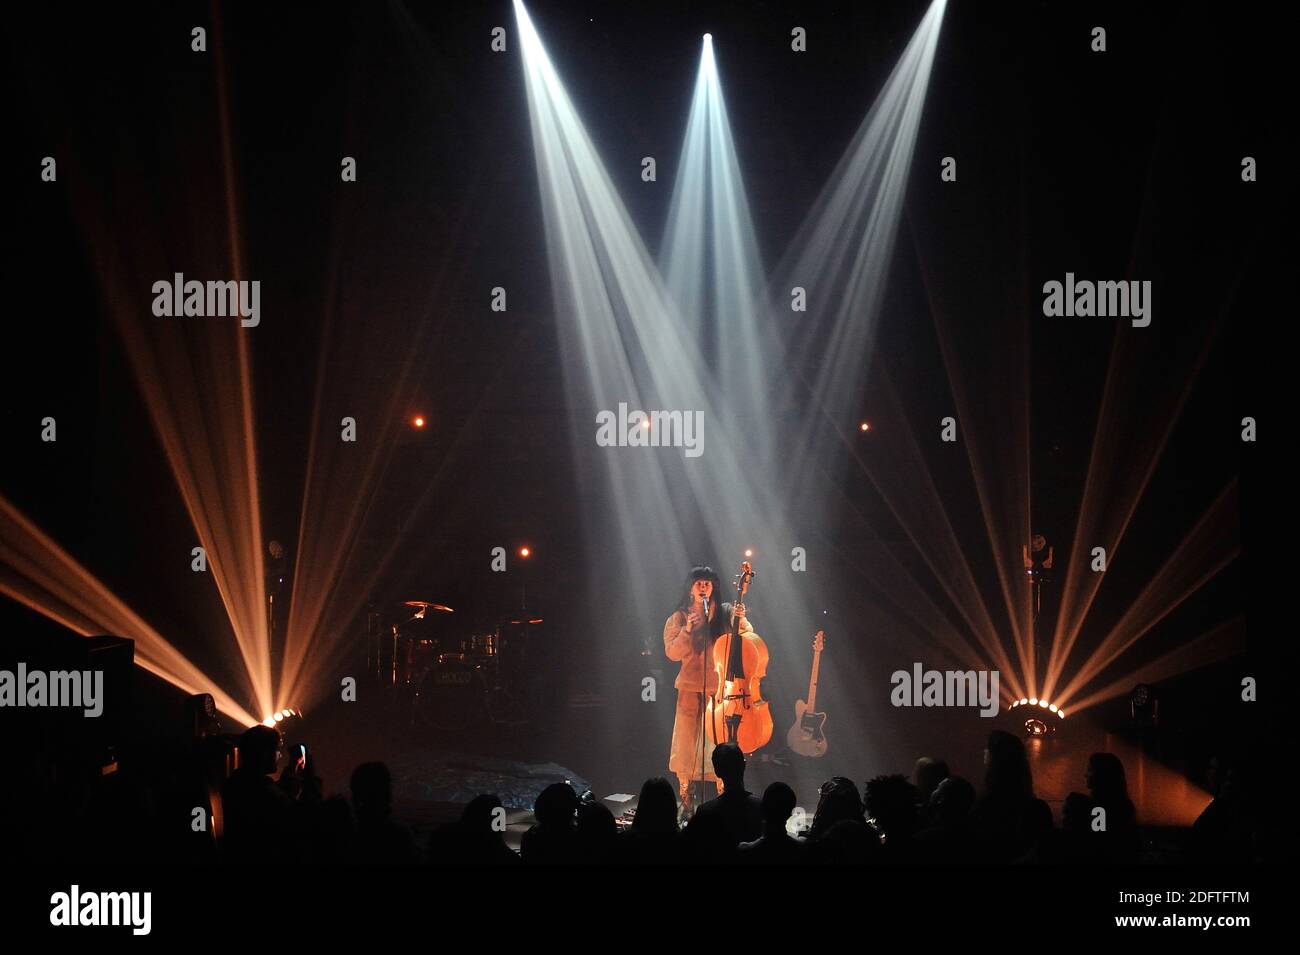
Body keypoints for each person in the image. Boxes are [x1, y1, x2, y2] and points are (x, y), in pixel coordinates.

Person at [663, 565, 752, 812]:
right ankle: (686, 798)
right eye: (699, 583)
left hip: (719, 689)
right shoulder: (679, 617)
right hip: (690, 689)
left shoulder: (724, 613)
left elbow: (747, 637)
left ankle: (724, 794)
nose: (703, 587)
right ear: (690, 588)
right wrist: (687, 630)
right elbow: (671, 653)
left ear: (713, 588)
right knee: (687, 744)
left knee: (717, 741)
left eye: (707, 583)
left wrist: (741, 619)